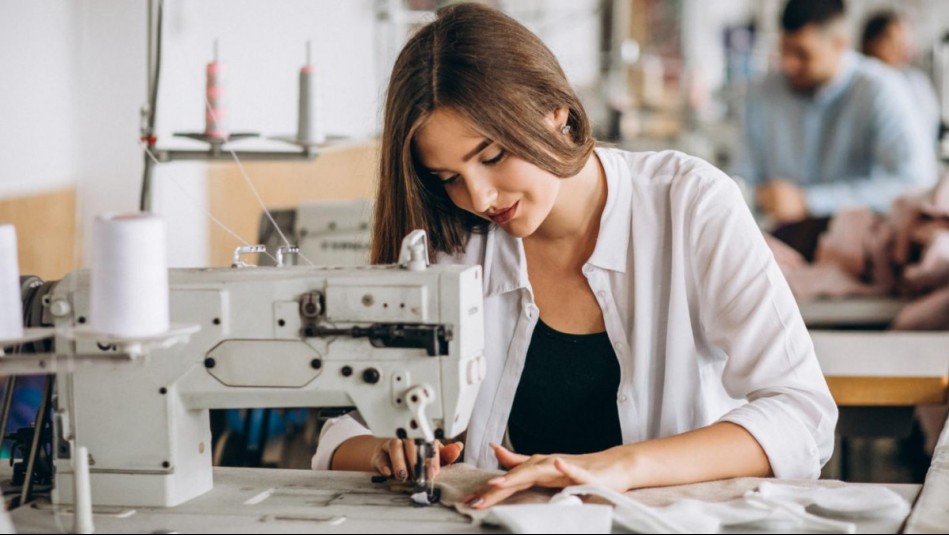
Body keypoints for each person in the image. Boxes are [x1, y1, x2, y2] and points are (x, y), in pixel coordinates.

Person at [312, 2, 837, 509]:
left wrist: (622, 466)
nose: (479, 198)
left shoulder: (689, 204)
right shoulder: (455, 238)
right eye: (449, 178)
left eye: (493, 156)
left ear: (555, 111)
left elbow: (801, 417)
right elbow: (345, 426)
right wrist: (385, 449)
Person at [732, 0, 936, 224]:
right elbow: (742, 177)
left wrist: (808, 202)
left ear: (840, 44)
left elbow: (913, 184)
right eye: (785, 50)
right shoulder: (762, 93)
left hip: (858, 243)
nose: (789, 64)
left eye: (802, 54)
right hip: (777, 237)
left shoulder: (881, 90)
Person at [861, 10, 941, 145]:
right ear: (873, 43)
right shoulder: (857, 83)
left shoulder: (916, 82)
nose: (903, 48)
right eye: (894, 42)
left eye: (904, 42)